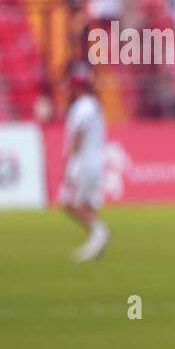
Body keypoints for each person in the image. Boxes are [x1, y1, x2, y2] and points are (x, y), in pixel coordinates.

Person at [59, 66, 110, 262]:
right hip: (96, 161)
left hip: (83, 163)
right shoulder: (94, 105)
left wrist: (70, 163)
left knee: (68, 202)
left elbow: (77, 137)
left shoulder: (82, 107)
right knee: (87, 204)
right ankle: (94, 242)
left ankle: (100, 232)